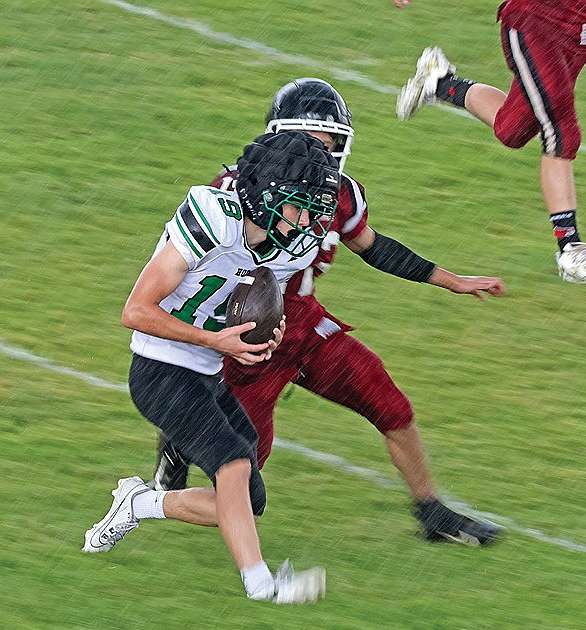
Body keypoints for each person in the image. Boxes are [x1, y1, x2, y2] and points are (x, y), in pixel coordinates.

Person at [152, 78, 506, 547]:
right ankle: (150, 492)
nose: (319, 152)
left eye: (329, 142)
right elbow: (191, 274)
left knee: (391, 406)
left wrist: (451, 280)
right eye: (309, 141)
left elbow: (372, 246)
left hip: (305, 325)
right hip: (251, 340)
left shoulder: (338, 194)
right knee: (244, 479)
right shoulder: (234, 193)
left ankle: (432, 514)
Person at [82, 131, 341, 604]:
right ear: (266, 196)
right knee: (234, 465)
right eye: (300, 205)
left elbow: (250, 306)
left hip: (206, 373)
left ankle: (139, 503)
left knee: (245, 501)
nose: (310, 220)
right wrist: (212, 339)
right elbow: (135, 310)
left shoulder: (289, 249)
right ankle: (262, 585)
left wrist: (266, 332)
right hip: (159, 369)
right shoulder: (211, 218)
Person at [396, 0, 586, 287]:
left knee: (514, 129)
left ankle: (440, 82)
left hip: (579, 26)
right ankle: (571, 250)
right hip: (535, 21)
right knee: (560, 129)